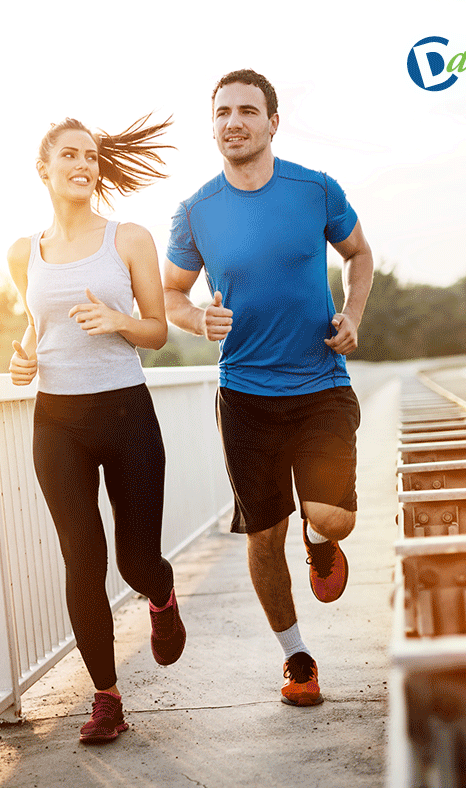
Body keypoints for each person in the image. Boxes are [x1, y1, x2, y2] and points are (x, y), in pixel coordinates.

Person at [163, 69, 374, 707]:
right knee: (263, 534)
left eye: (247, 111)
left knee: (332, 515)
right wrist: (198, 318)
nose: (233, 122)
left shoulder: (315, 190)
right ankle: (297, 659)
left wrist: (353, 317)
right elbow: (172, 292)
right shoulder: (196, 211)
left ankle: (320, 539)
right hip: (246, 395)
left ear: (272, 122)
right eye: (223, 112)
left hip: (319, 382)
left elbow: (359, 254)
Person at [7, 114, 185, 744]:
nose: (84, 164)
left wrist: (118, 320)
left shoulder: (128, 239)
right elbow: (38, 324)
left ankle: (161, 597)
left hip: (125, 412)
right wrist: (22, 356)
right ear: (46, 169)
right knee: (83, 560)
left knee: (136, 559)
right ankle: (105, 698)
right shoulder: (22, 253)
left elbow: (158, 332)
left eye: (92, 155)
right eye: (71, 156)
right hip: (57, 422)